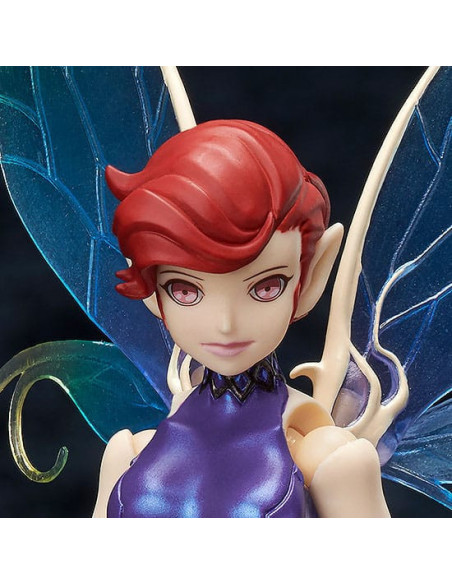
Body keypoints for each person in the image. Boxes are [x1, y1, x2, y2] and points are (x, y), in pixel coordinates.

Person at [93, 119, 390, 518]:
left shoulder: (328, 462)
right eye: (185, 290)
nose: (225, 324)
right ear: (147, 282)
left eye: (266, 287)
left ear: (313, 275)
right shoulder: (129, 456)